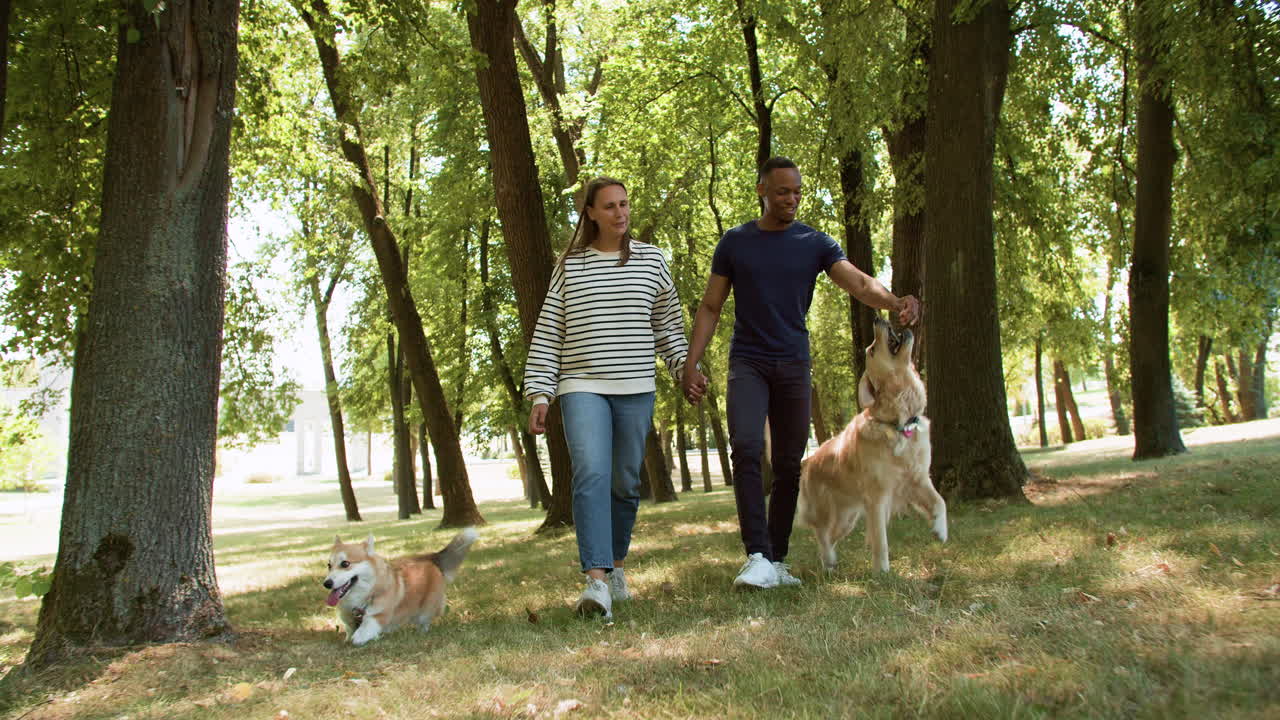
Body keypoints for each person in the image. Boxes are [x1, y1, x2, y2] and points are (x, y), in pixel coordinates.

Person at [681, 156, 920, 590]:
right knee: (748, 447)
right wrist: (691, 363)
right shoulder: (735, 243)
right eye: (781, 192)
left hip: (793, 363)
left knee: (790, 462)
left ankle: (779, 558)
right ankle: (757, 556)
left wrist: (894, 302)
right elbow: (711, 306)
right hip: (748, 362)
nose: (790, 199)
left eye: (796, 192)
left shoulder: (815, 243)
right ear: (762, 191)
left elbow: (861, 283)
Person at [524, 176, 693, 619]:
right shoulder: (571, 266)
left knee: (624, 482)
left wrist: (684, 369)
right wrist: (541, 391)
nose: (620, 213)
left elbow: (668, 327)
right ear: (592, 214)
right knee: (591, 475)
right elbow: (549, 331)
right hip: (582, 385)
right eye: (610, 206)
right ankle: (595, 582)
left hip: (636, 386)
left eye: (625, 204)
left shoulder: (652, 261)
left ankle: (616, 567)